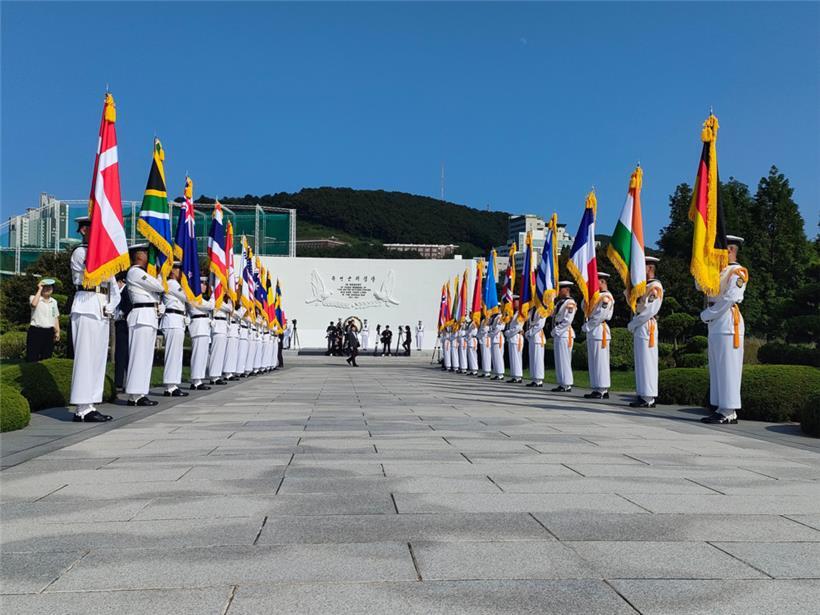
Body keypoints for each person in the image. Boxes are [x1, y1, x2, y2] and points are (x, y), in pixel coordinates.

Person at [69, 216, 121, 422]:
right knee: (85, 357)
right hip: (86, 304)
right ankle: (81, 408)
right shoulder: (80, 252)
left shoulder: (104, 256)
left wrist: (112, 305)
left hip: (101, 308)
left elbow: (114, 287)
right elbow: (94, 268)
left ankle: (91, 404)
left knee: (98, 358)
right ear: (83, 230)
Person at [700, 236, 748, 425]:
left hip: (727, 320)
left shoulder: (737, 272)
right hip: (716, 322)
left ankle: (729, 410)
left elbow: (730, 298)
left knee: (728, 366)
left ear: (729, 250)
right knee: (717, 366)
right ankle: (721, 407)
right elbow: (701, 286)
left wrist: (707, 314)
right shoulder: (719, 271)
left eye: (718, 249)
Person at [124, 244, 163, 407]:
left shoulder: (144, 274)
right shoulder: (135, 272)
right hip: (141, 316)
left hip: (149, 316)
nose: (150, 257)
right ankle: (134, 395)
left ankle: (140, 393)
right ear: (139, 255)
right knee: (139, 357)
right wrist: (162, 273)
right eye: (147, 254)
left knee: (146, 358)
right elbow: (159, 287)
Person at [628, 256, 663, 408]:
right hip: (640, 325)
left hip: (646, 325)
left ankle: (649, 397)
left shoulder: (655, 287)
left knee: (648, 361)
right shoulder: (644, 286)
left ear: (649, 268)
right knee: (641, 361)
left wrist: (633, 323)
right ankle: (642, 394)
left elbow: (649, 310)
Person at [582, 272, 614, 399]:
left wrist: (588, 326)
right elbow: (584, 308)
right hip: (593, 331)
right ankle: (597, 388)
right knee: (594, 361)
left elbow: (600, 315)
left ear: (602, 282)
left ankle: (602, 388)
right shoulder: (596, 296)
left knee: (601, 362)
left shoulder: (606, 297)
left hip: (600, 330)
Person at [161, 262, 189, 397]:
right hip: (172, 320)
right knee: (172, 354)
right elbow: (187, 296)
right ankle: (169, 386)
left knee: (176, 355)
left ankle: (173, 385)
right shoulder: (171, 283)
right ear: (172, 270)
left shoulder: (176, 284)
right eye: (178, 268)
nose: (180, 272)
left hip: (178, 321)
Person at [188, 278, 214, 390]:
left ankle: (199, 380)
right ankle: (195, 380)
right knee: (198, 355)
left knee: (202, 356)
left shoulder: (201, 298)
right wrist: (214, 294)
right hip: (198, 326)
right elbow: (210, 306)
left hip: (203, 327)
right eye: (202, 283)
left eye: (205, 283)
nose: (204, 286)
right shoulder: (193, 296)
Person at [551, 281, 577, 392]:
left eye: (560, 289)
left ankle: (567, 384)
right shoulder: (559, 303)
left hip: (565, 332)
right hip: (558, 332)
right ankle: (562, 383)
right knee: (559, 359)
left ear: (566, 290)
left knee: (565, 359)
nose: (559, 291)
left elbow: (568, 320)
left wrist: (556, 330)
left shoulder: (570, 303)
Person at [27, 278, 60, 362]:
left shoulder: (54, 302)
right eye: (45, 287)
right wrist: (39, 289)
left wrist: (57, 331)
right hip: (36, 331)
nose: (48, 289)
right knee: (32, 357)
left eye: (50, 287)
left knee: (47, 357)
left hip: (49, 332)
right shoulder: (34, 297)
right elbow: (33, 304)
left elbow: (55, 317)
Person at [112, 272, 130, 390]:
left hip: (124, 323)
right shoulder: (121, 292)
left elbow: (128, 306)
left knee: (122, 353)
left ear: (120, 282)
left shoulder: (125, 291)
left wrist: (123, 313)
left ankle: (121, 381)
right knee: (121, 353)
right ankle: (120, 381)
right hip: (120, 322)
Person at [208, 293, 231, 385]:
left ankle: (216, 375)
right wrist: (230, 300)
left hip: (223, 325)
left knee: (220, 353)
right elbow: (229, 308)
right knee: (216, 352)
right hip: (218, 325)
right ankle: (214, 376)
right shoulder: (215, 296)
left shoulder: (221, 299)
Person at [526, 306, 547, 388]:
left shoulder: (542, 309)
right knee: (533, 359)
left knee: (538, 359)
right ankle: (534, 379)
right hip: (532, 336)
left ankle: (539, 380)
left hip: (538, 336)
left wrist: (529, 332)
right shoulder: (532, 309)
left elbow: (540, 325)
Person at [223, 297, 240, 380]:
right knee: (229, 353)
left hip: (234, 329)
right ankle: (227, 373)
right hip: (230, 329)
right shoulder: (223, 303)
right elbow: (237, 314)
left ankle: (230, 372)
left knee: (232, 353)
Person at [504, 315, 524, 384]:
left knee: (516, 358)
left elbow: (518, 327)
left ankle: (517, 377)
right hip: (513, 338)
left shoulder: (521, 312)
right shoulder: (515, 312)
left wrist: (508, 333)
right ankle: (514, 376)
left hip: (516, 337)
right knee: (513, 358)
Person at [490, 313, 506, 380]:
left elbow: (498, 328)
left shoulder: (500, 316)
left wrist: (491, 334)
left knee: (498, 357)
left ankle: (500, 374)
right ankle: (497, 373)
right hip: (494, 338)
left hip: (497, 338)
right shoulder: (494, 316)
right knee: (495, 357)